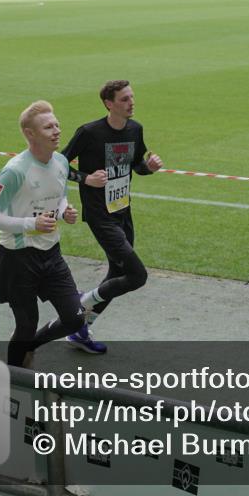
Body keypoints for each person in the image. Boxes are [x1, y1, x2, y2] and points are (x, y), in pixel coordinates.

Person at [61, 80, 163, 354]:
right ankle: (80, 305)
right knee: (136, 274)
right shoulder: (89, 132)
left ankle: (80, 329)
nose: (131, 103)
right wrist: (86, 179)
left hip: (123, 211)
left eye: (132, 97)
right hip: (99, 215)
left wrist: (148, 167)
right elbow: (58, 165)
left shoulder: (135, 129)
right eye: (124, 99)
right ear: (109, 103)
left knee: (117, 274)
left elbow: (137, 164)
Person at [0, 101, 85, 368]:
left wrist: (65, 213)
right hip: (19, 258)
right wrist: (32, 224)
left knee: (75, 318)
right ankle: (14, 381)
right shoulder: (15, 171)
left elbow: (59, 197)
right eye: (48, 126)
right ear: (30, 134)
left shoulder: (61, 162)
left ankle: (31, 347)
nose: (56, 130)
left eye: (57, 125)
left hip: (52, 254)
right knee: (25, 325)